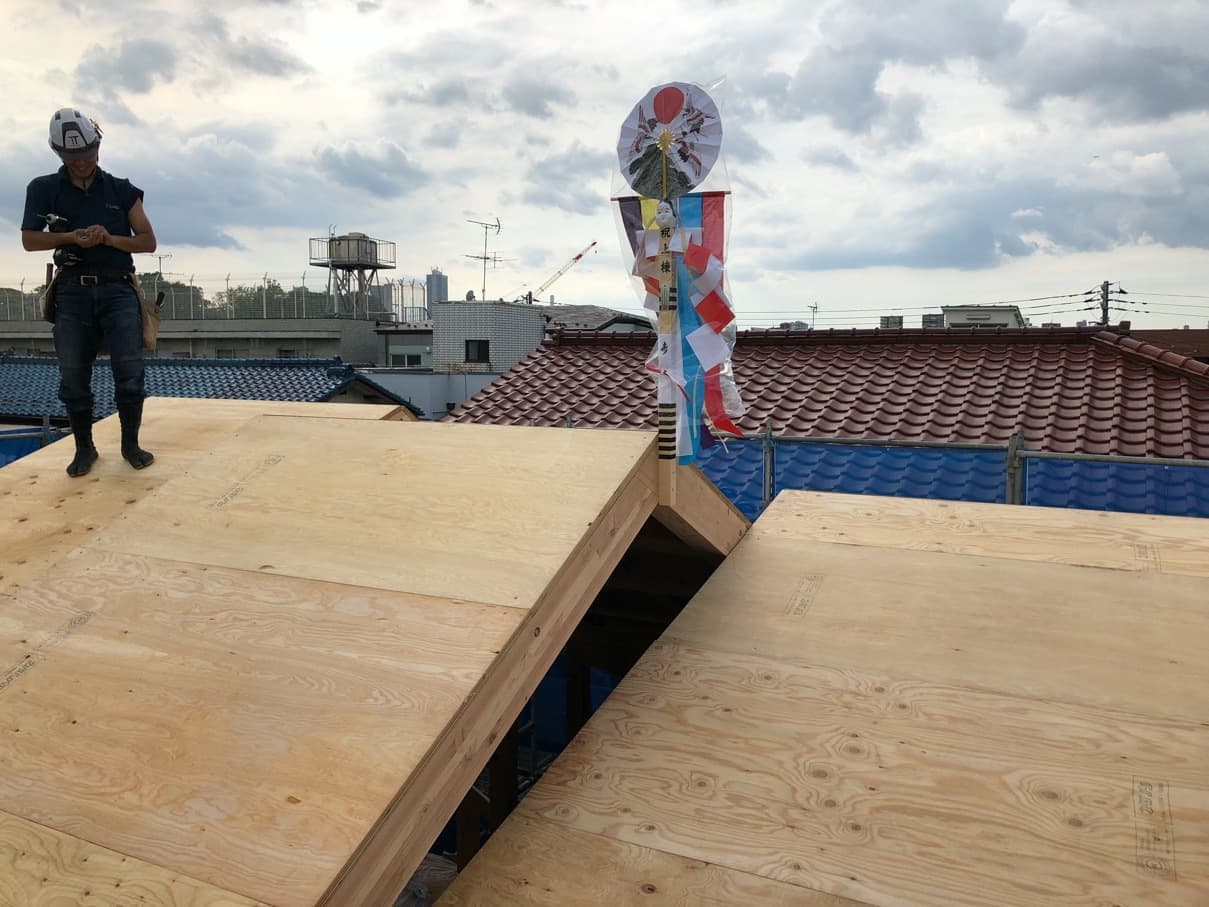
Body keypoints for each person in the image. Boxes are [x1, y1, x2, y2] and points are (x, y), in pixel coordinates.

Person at [20, 107, 157, 477]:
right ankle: (84, 448)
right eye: (72, 157)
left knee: (129, 372)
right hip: (71, 290)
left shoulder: (121, 190)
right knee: (73, 376)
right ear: (59, 153)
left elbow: (148, 241)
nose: (81, 162)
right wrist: (71, 237)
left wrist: (109, 239)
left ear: (97, 147)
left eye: (87, 154)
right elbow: (30, 240)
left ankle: (130, 445)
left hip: (118, 288)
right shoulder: (43, 189)